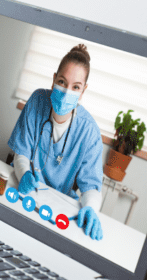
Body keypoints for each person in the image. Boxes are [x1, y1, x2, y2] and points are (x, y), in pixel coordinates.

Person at [7, 44, 104, 241]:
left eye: (76, 87)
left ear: (83, 91)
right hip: (24, 192)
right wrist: (24, 173)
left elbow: (91, 187)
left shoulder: (89, 132)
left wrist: (91, 209)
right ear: (53, 80)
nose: (67, 91)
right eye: (62, 82)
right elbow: (22, 153)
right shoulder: (36, 102)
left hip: (56, 206)